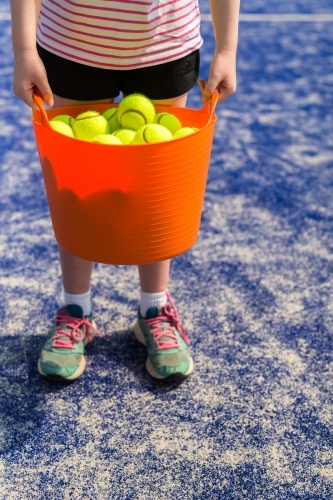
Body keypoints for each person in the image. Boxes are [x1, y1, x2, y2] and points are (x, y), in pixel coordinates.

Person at [10, 0, 240, 381]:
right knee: (76, 184)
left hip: (167, 42)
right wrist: (24, 50)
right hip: (73, 40)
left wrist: (228, 49)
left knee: (155, 184)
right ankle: (75, 310)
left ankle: (154, 309)